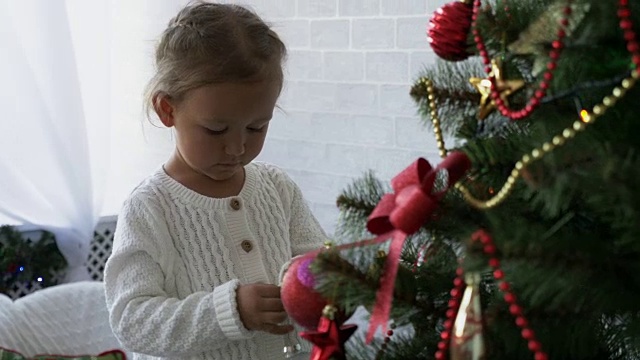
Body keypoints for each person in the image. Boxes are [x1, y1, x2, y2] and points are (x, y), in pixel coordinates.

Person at [103, 2, 328, 359]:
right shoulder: (150, 208)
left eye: (257, 127)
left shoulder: (277, 187)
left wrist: (309, 281)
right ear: (167, 109)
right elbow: (132, 320)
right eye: (215, 129)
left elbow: (318, 262)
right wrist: (228, 311)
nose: (237, 147)